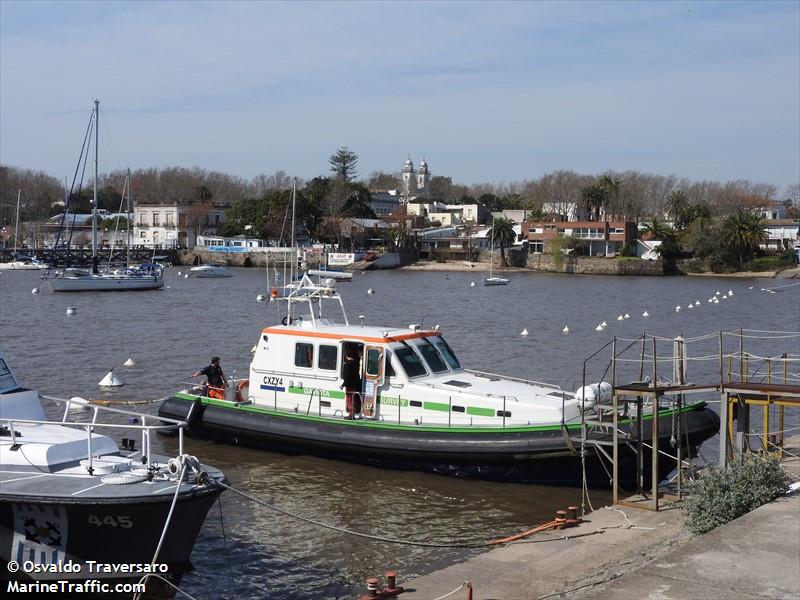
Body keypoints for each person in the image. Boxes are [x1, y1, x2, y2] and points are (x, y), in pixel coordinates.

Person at [340, 350, 362, 419]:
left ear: (347, 356)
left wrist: (343, 385)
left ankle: (351, 415)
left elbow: (347, 376)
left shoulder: (348, 364)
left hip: (349, 385)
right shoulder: (356, 363)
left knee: (349, 400)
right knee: (354, 399)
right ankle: (353, 413)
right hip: (355, 384)